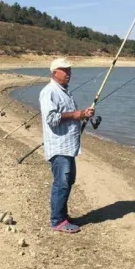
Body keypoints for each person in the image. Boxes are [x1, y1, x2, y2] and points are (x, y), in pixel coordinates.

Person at [39, 58, 95, 233]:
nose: (69, 73)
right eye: (65, 70)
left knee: (68, 181)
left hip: (69, 146)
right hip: (59, 146)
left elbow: (71, 115)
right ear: (55, 72)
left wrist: (84, 114)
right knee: (61, 183)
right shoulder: (49, 92)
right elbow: (52, 119)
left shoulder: (65, 92)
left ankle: (62, 216)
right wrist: (75, 114)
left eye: (70, 70)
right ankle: (57, 221)